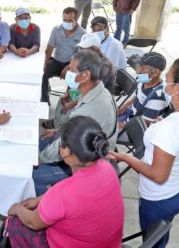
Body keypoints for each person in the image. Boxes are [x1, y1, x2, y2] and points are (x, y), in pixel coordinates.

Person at [5, 116, 124, 247]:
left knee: (14, 222)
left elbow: (32, 222)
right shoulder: (108, 168)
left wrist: (17, 209)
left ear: (66, 152)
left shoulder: (63, 191)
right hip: (109, 244)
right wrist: (39, 199)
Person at [109, 56, 179, 248]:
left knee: (152, 240)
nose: (165, 84)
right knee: (160, 233)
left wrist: (126, 157)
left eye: (168, 79)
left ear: (177, 88)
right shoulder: (173, 124)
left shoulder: (169, 129)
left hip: (159, 198)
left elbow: (158, 175)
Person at [34, 50, 118, 196]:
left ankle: (43, 211)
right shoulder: (97, 90)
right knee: (37, 142)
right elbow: (73, 130)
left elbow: (65, 144)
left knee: (32, 175)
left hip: (87, 163)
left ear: (85, 75)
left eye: (72, 70)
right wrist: (57, 130)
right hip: (81, 146)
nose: (67, 72)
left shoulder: (91, 108)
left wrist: (41, 158)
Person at [56, 33, 117, 120]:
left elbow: (91, 92)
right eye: (81, 49)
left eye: (85, 50)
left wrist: (73, 104)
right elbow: (78, 80)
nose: (81, 52)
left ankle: (62, 125)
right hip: (86, 90)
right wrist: (67, 92)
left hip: (96, 97)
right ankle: (58, 122)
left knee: (71, 108)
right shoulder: (87, 61)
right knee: (63, 100)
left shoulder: (104, 66)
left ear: (96, 50)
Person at [41, 7, 85, 103]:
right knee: (41, 75)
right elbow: (49, 49)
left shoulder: (82, 33)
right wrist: (44, 63)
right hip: (56, 61)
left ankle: (68, 102)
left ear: (76, 20)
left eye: (70, 20)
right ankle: (44, 101)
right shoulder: (56, 30)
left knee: (77, 79)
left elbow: (80, 56)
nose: (67, 23)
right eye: (64, 20)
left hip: (72, 64)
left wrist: (68, 67)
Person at [118, 52, 169, 126]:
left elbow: (143, 124)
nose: (137, 71)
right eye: (139, 67)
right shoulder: (144, 82)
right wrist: (120, 110)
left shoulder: (158, 98)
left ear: (155, 72)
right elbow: (136, 97)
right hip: (132, 113)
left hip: (138, 124)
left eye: (143, 68)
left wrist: (117, 125)